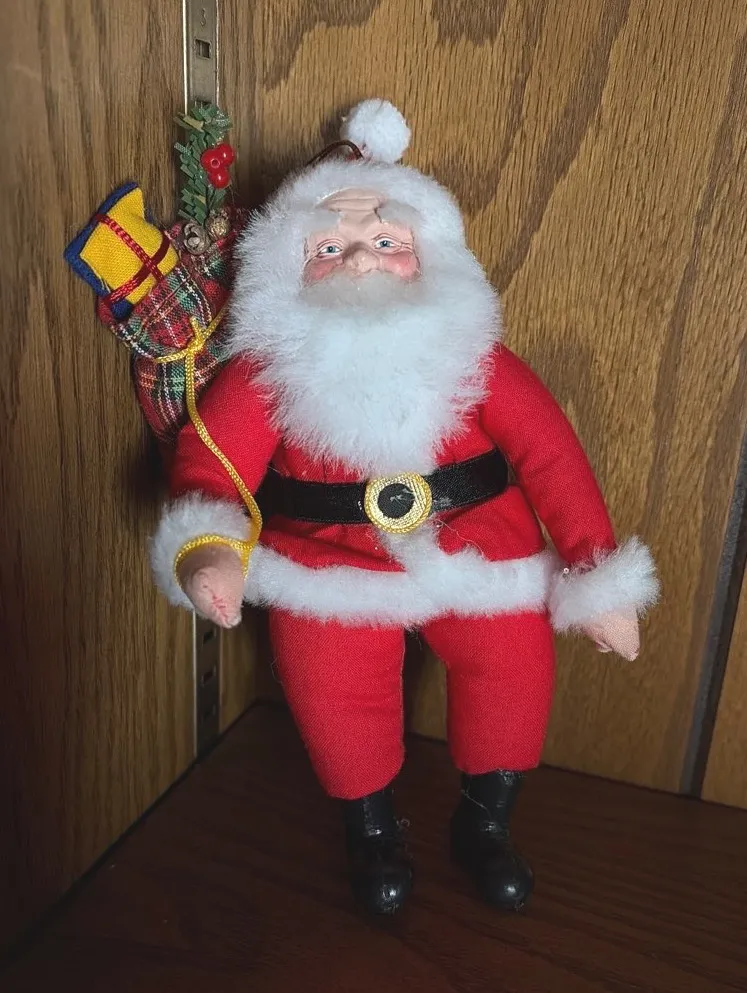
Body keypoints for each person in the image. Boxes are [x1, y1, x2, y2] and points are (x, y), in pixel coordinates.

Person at [151, 100, 658, 915]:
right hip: (329, 565)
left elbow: (552, 455)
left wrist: (594, 571)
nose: (359, 256)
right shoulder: (269, 370)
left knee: (513, 666)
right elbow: (212, 459)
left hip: (482, 552)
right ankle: (371, 829)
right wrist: (207, 548)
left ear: (431, 257)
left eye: (386, 241)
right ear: (287, 267)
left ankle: (484, 823)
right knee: (329, 684)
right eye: (329, 246)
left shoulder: (472, 354)